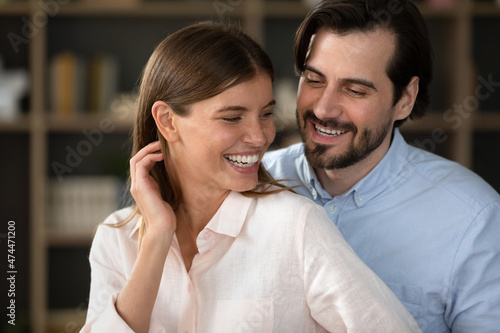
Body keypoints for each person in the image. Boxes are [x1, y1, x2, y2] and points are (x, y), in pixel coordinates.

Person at [81, 21, 421, 332]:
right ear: (168, 121)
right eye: (232, 117)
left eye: (266, 113)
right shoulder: (117, 239)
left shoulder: (295, 226)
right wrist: (157, 237)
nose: (260, 137)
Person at [263, 0, 500, 332]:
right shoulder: (253, 183)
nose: (324, 108)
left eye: (355, 90)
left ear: (405, 99)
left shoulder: (474, 220)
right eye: (313, 80)